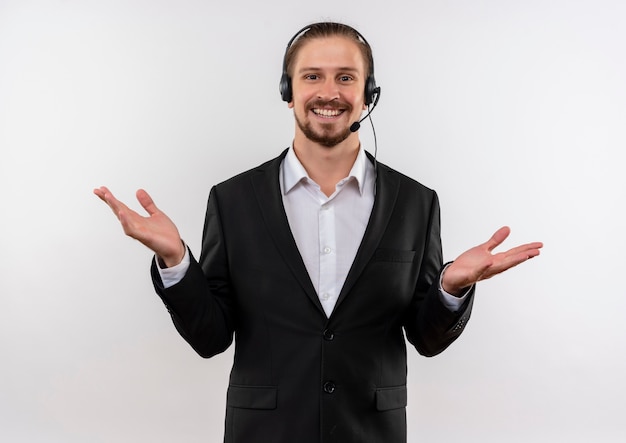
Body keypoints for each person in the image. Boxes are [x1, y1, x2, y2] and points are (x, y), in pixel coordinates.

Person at [94, 22, 542, 443]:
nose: (329, 92)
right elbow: (211, 338)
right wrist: (176, 261)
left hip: (371, 433)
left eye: (346, 78)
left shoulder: (415, 203)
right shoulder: (232, 200)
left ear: (369, 94)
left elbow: (425, 338)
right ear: (289, 92)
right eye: (312, 76)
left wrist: (450, 288)